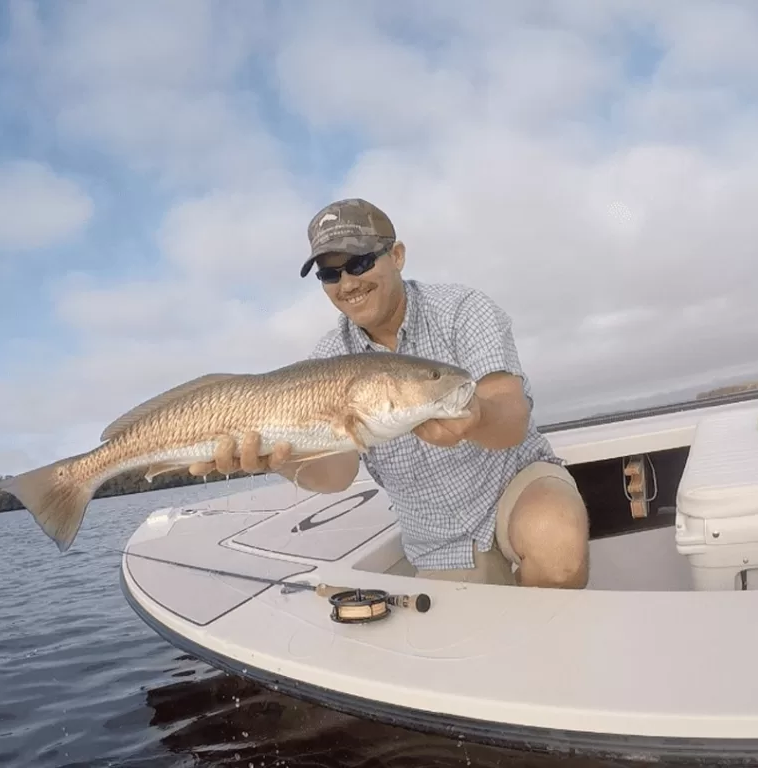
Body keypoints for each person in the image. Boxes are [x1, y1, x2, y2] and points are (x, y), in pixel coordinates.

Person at [187, 198, 590, 589]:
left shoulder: (462, 309)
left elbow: (511, 415)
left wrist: (479, 418)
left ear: (396, 255)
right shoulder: (326, 360)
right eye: (330, 274)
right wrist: (273, 460)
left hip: (516, 490)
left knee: (553, 538)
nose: (347, 283)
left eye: (360, 262)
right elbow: (336, 474)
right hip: (437, 545)